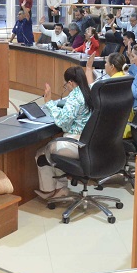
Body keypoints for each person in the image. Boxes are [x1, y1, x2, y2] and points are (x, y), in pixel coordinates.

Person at [34, 66, 93, 199]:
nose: (66, 87)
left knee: (42, 153)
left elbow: (62, 122)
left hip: (77, 143)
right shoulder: (88, 92)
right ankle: (61, 188)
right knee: (55, 149)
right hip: (89, 142)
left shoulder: (75, 97)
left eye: (66, 84)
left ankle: (49, 191)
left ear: (70, 82)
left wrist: (49, 102)